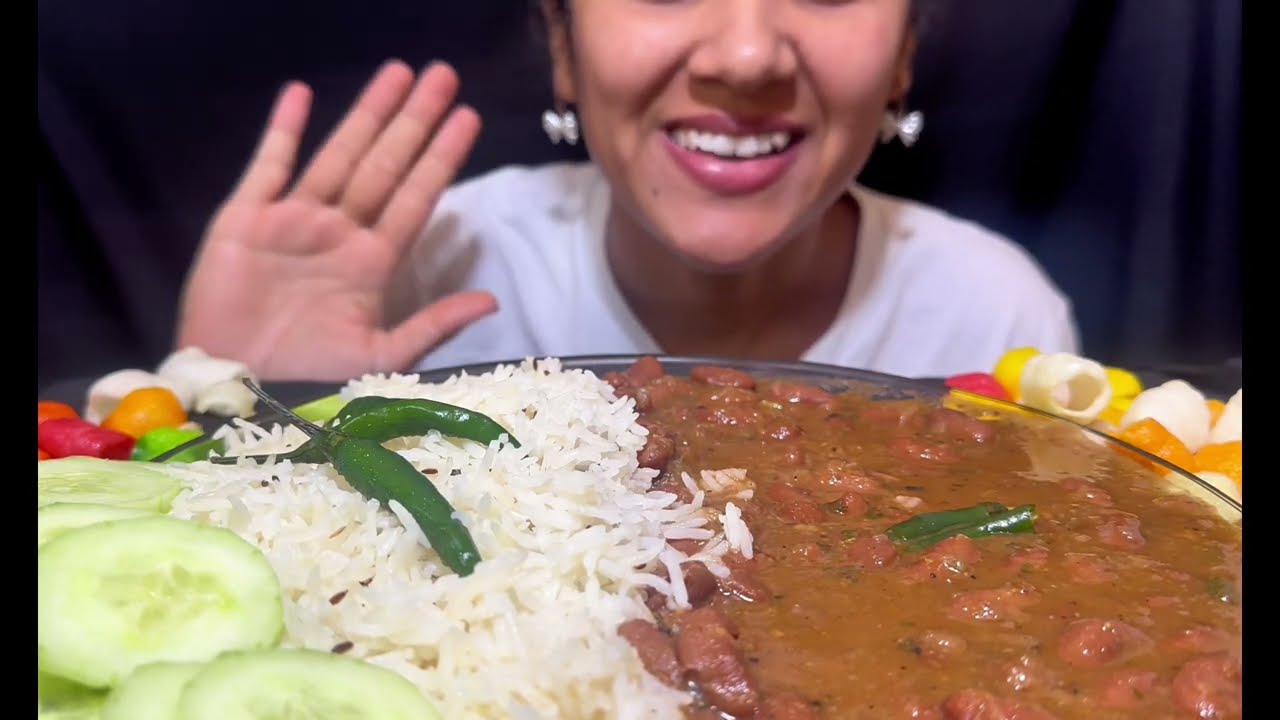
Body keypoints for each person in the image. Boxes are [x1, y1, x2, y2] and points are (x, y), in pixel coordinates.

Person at [177, 0, 1080, 383]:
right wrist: (235, 404)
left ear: (904, 58)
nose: (746, 56)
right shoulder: (426, 268)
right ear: (564, 47)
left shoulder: (995, 317)